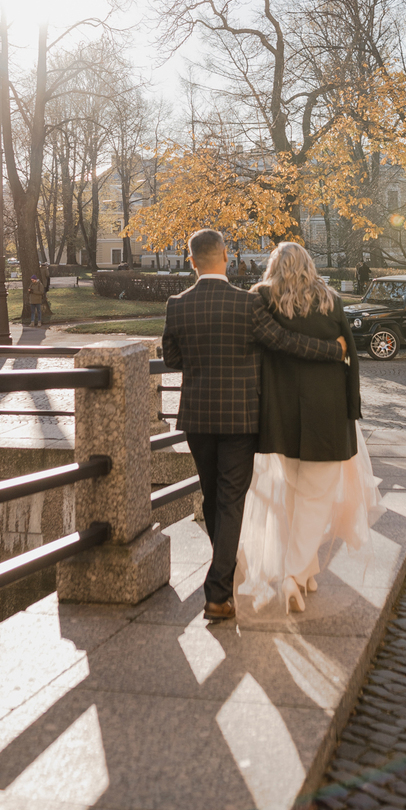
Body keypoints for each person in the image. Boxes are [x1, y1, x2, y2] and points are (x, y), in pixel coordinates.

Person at [162, 229, 348, 623]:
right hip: (240, 418)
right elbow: (284, 342)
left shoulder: (176, 304)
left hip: (196, 417)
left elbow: (173, 358)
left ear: (191, 261)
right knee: (231, 500)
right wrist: (333, 351)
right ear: (226, 257)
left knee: (212, 498)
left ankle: (227, 571)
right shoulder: (246, 305)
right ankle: (218, 591)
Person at [237, 241, 386, 615]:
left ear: (274, 265)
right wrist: (353, 408)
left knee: (293, 493)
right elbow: (350, 355)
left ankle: (305, 571)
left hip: (281, 413)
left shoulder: (262, 298)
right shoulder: (330, 300)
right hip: (327, 413)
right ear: (309, 265)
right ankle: (292, 574)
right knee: (315, 497)